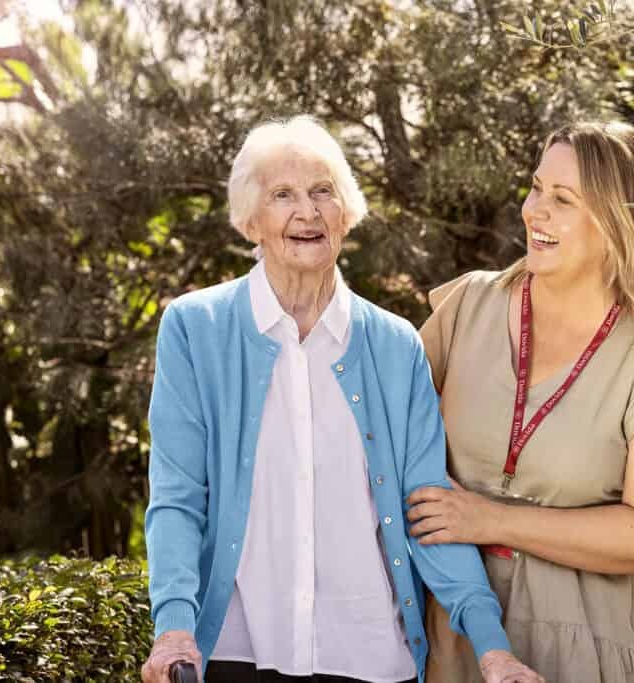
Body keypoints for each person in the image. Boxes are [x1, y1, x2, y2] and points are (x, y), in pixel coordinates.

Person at [140, 116, 542, 683]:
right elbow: (178, 498)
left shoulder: (395, 345)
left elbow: (428, 509)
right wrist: (174, 628)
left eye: (323, 191)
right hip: (237, 649)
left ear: (346, 213)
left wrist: (493, 648)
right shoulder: (195, 328)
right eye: (283, 195)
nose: (307, 212)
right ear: (251, 221)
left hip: (370, 656)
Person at [408, 121, 634, 682]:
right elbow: (382, 434)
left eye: (563, 199)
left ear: (618, 222)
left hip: (590, 654)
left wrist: (489, 520)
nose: (535, 211)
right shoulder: (468, 308)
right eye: (536, 188)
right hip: (453, 645)